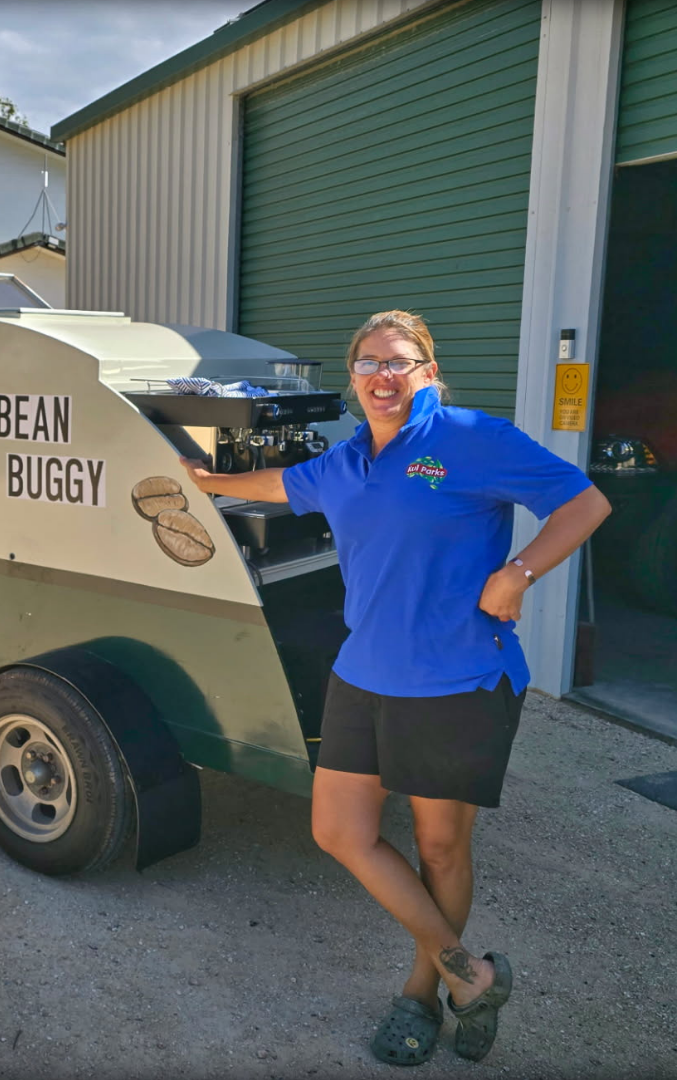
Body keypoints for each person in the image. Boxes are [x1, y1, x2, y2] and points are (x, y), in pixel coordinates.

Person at [180, 310, 610, 1066]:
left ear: (429, 372)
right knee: (339, 833)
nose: (384, 375)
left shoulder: (470, 437)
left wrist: (519, 572)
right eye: (370, 362)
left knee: (442, 849)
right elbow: (282, 483)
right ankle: (472, 976)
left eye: (402, 362)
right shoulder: (344, 462)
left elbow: (584, 502)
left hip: (457, 679)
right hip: (364, 674)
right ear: (351, 377)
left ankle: (420, 993)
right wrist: (205, 481)